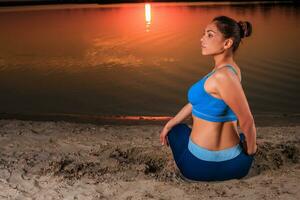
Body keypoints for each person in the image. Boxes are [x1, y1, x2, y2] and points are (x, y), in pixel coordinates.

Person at [159, 16, 257, 182]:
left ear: (227, 44)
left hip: (198, 168)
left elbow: (247, 120)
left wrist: (252, 149)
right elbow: (196, 102)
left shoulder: (222, 77)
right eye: (204, 34)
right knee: (173, 125)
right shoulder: (232, 70)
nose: (202, 39)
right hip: (237, 166)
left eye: (210, 35)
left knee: (177, 130)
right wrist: (169, 123)